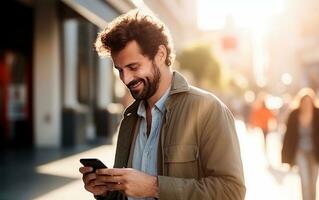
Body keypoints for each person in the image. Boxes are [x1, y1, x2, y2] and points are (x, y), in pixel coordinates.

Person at [79, 10, 245, 200]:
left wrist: (155, 187)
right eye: (120, 70)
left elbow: (232, 192)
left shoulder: (208, 109)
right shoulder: (129, 119)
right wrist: (107, 192)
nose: (126, 79)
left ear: (160, 54)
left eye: (133, 67)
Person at [281, 88, 319, 200]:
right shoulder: (294, 115)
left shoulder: (317, 114)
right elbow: (288, 136)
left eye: (309, 102)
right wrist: (285, 156)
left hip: (315, 152)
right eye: (304, 102)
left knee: (313, 181)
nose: (306, 105)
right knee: (305, 180)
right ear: (300, 102)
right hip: (300, 151)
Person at [248, 92, 276, 158]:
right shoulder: (263, 110)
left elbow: (271, 116)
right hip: (264, 127)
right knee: (264, 138)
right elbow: (255, 116)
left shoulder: (263, 110)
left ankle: (265, 148)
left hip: (264, 127)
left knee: (264, 138)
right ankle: (265, 148)